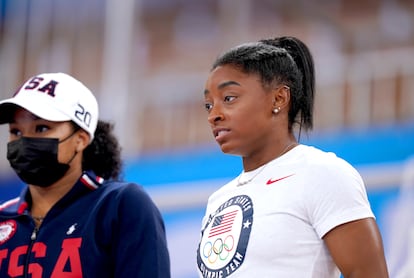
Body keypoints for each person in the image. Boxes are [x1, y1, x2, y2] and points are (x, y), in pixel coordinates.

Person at [196, 36, 389, 277]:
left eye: (229, 99)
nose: (213, 115)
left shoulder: (323, 173)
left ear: (279, 98)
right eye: (208, 105)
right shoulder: (219, 199)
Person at [0, 72, 171, 277]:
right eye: (16, 132)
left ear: (81, 139)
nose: (24, 142)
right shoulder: (3, 218)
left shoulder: (118, 206)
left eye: (41, 128)